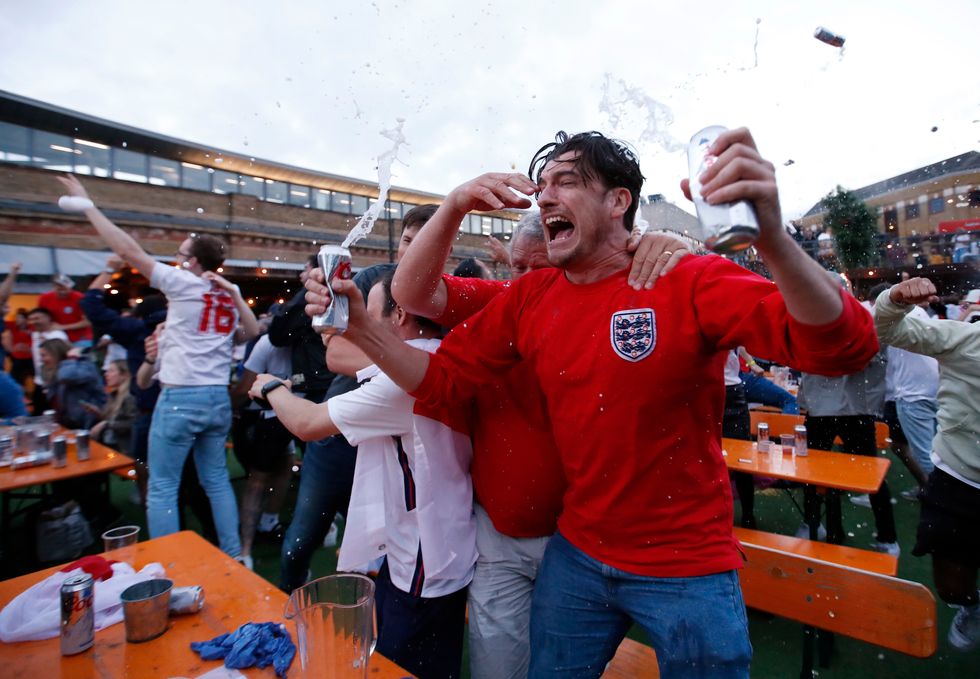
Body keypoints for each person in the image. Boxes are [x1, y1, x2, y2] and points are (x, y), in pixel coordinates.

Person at [308, 128, 878, 677]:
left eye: (566, 181)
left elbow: (843, 344)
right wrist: (362, 325)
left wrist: (772, 236)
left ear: (618, 201)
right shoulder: (529, 296)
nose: (544, 195)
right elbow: (439, 380)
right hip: (579, 552)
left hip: (687, 563)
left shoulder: (683, 277)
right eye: (543, 182)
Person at [392, 208, 691, 679]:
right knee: (499, 668)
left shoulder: (606, 301)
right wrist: (457, 202)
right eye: (517, 267)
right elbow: (413, 294)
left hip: (579, 538)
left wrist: (673, 245)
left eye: (538, 267)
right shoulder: (504, 301)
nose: (525, 279)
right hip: (501, 531)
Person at [253, 272, 473, 679]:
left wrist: (270, 388)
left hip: (425, 557)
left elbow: (307, 422)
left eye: (367, 315)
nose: (360, 327)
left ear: (400, 316)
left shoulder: (403, 383)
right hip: (436, 542)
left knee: (403, 667)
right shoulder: (441, 355)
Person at [56, 174, 258, 558]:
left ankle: (169, 567)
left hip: (181, 397)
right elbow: (246, 335)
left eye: (181, 255)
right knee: (216, 481)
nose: (176, 260)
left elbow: (130, 251)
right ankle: (234, 556)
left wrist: (89, 207)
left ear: (193, 261)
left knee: (163, 486)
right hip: (217, 397)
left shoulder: (185, 284)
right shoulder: (223, 296)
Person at [276, 204, 437, 592]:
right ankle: (286, 600)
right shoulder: (372, 280)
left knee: (388, 547)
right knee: (302, 538)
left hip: (403, 443)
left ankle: (374, 629)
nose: (411, 252)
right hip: (341, 430)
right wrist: (414, 358)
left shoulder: (442, 293)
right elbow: (337, 355)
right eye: (407, 241)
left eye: (424, 244)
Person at [873, 277, 980, 651]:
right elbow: (885, 327)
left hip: (917, 407)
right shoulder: (968, 340)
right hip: (961, 478)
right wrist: (894, 298)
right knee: (952, 584)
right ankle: (969, 604)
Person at [230, 333, 295, 570]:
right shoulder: (280, 340)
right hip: (287, 411)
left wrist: (230, 405)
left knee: (261, 477)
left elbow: (244, 387)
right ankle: (256, 536)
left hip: (276, 415)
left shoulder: (268, 341)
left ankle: (250, 543)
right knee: (277, 469)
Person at [38, 338, 105, 429]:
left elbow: (67, 376)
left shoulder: (83, 365)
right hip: (69, 421)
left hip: (89, 422)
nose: (41, 360)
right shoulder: (55, 370)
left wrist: (71, 358)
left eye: (44, 355)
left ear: (55, 354)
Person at [88, 359, 138, 455]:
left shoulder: (130, 397)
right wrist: (98, 412)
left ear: (124, 375)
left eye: (111, 371)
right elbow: (113, 419)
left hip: (122, 449)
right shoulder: (114, 395)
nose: (106, 374)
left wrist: (106, 424)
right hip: (111, 445)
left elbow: (132, 423)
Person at [27, 308, 69, 414]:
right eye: (31, 319)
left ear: (48, 318)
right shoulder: (35, 334)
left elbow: (63, 356)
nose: (34, 322)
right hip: (39, 381)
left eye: (37, 318)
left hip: (54, 382)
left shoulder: (57, 335)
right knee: (38, 413)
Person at [37, 273, 93, 347]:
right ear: (54, 287)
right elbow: (40, 317)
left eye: (65, 289)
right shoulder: (45, 298)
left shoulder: (80, 298)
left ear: (70, 287)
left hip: (80, 339)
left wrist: (62, 327)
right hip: (56, 339)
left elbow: (88, 321)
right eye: (59, 289)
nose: (62, 292)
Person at [2, 309, 35, 387]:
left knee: (36, 378)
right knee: (14, 380)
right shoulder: (13, 326)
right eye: (16, 317)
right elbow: (2, 322)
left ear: (26, 320)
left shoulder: (32, 327)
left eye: (20, 317)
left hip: (31, 358)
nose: (17, 319)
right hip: (17, 358)